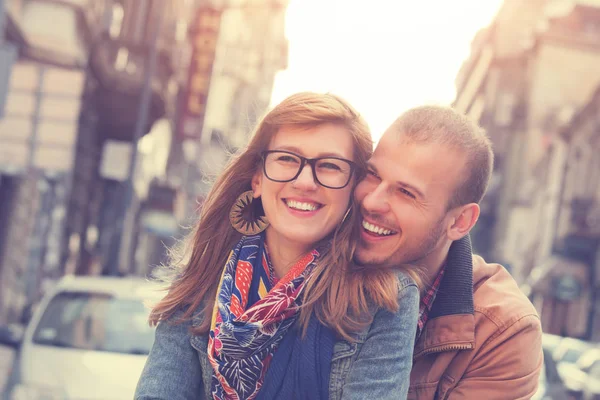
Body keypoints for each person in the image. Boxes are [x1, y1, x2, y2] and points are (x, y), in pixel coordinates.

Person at [135, 92, 420, 400]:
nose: (305, 182)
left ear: (354, 186)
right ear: (257, 178)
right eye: (287, 159)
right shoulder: (202, 281)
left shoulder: (385, 300)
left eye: (330, 165)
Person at [354, 105, 543, 399]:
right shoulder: (317, 257)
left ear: (459, 222)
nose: (371, 202)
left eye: (406, 192)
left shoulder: (502, 329)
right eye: (373, 175)